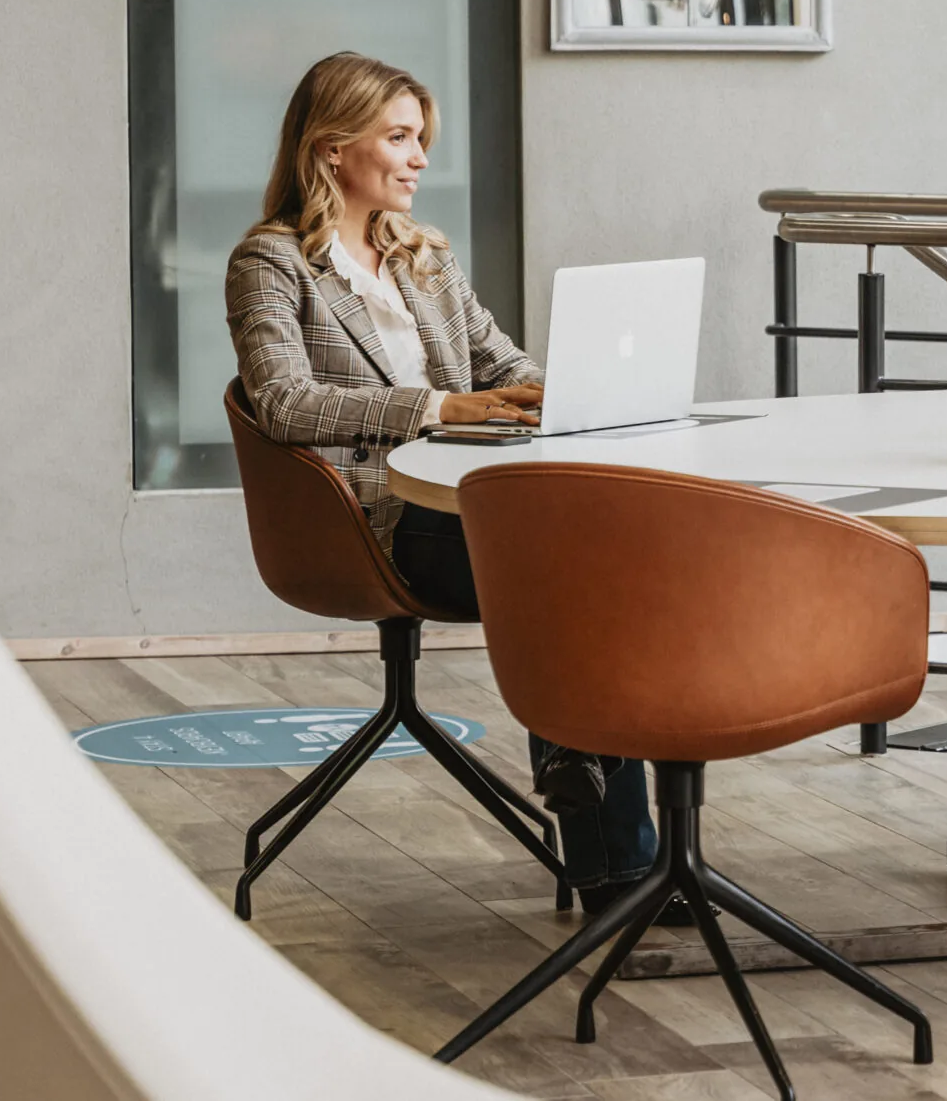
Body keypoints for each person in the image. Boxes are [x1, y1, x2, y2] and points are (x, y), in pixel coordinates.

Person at [225, 52, 667, 918]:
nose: (420, 156)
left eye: (421, 137)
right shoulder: (271, 264)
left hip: (479, 501)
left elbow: (502, 362)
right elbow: (281, 401)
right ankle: (620, 858)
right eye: (399, 136)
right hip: (379, 517)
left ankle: (606, 829)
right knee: (560, 561)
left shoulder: (422, 256)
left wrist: (564, 389)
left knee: (596, 554)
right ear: (329, 149)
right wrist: (439, 405)